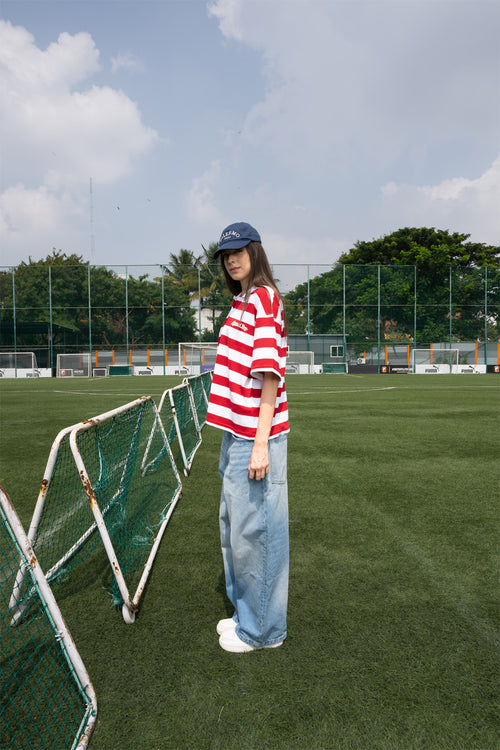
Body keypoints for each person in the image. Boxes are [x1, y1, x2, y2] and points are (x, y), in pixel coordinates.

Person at [206, 221, 290, 653]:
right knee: (234, 530)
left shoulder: (264, 299)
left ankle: (263, 633)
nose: (232, 259)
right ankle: (245, 615)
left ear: (256, 251)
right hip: (234, 433)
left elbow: (269, 375)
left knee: (257, 533)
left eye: (239, 251)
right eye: (225, 255)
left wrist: (260, 443)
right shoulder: (240, 302)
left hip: (256, 436)